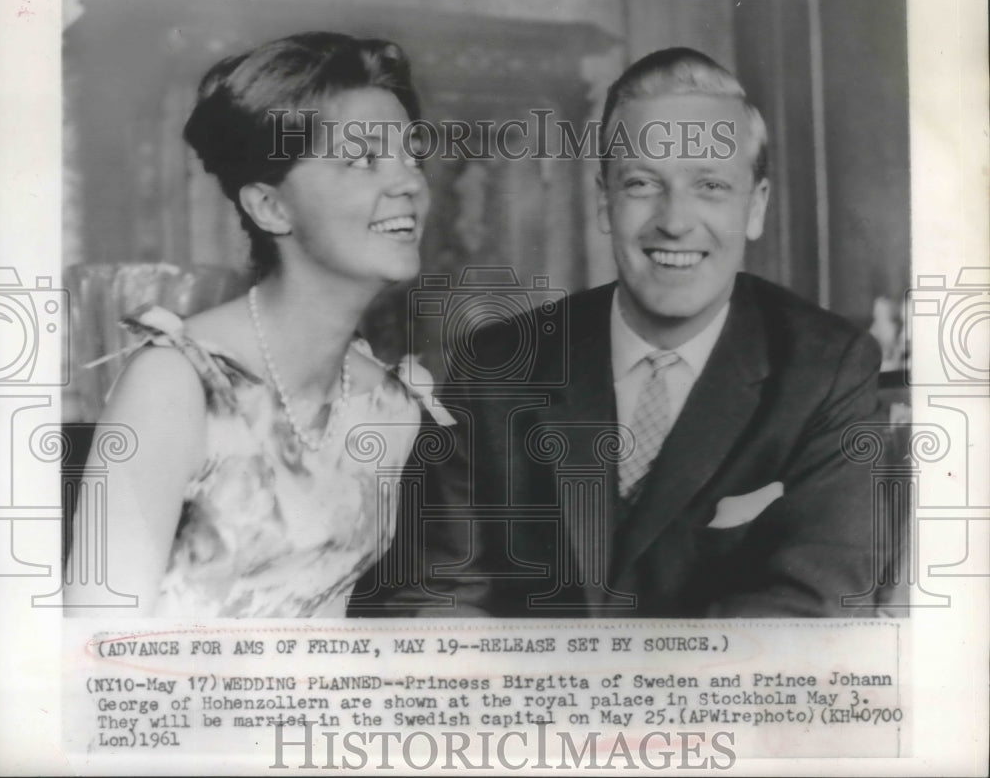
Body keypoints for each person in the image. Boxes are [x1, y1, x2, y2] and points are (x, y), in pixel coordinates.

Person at [397, 47, 883, 618]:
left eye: (710, 186)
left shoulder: (826, 369)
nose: (675, 221)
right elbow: (438, 595)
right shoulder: (498, 362)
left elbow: (807, 613)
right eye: (642, 184)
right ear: (605, 202)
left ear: (755, 207)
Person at [64, 32, 451, 618]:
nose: (409, 183)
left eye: (411, 157)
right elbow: (91, 652)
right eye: (363, 160)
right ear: (270, 207)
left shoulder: (389, 406)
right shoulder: (176, 385)